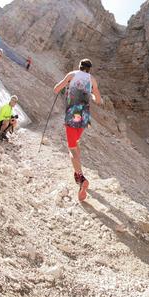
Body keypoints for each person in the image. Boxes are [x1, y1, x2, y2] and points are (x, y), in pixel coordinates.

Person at [53, 58, 101, 201]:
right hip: (84, 118)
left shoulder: (72, 74)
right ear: (89, 69)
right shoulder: (92, 80)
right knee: (76, 142)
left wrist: (67, 85)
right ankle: (78, 171)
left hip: (71, 116)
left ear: (79, 66)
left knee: (71, 148)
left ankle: (81, 178)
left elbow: (56, 89)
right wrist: (91, 94)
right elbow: (97, 99)